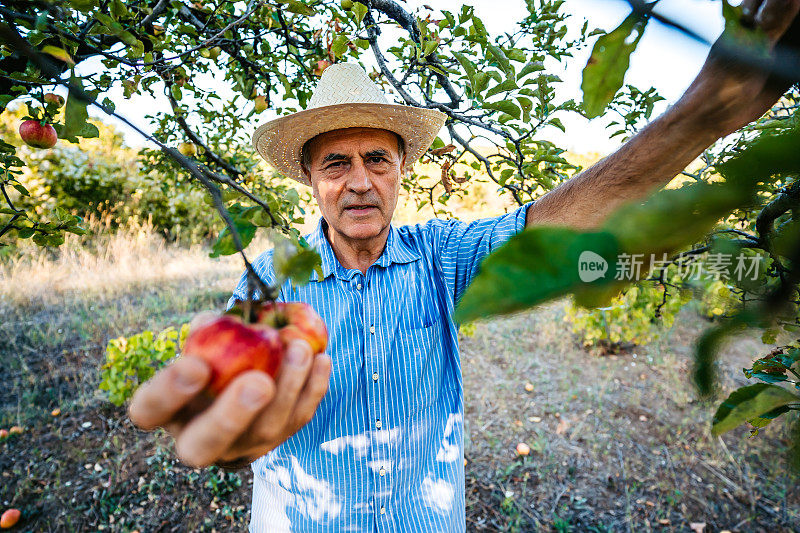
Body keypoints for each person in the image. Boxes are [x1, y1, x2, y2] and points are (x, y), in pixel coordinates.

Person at [129, 2, 799, 530]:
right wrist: (228, 429)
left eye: (377, 160)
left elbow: (557, 222)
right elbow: (230, 390)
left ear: (399, 172)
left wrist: (697, 120)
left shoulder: (441, 257)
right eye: (336, 161)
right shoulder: (272, 280)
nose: (359, 181)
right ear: (310, 177)